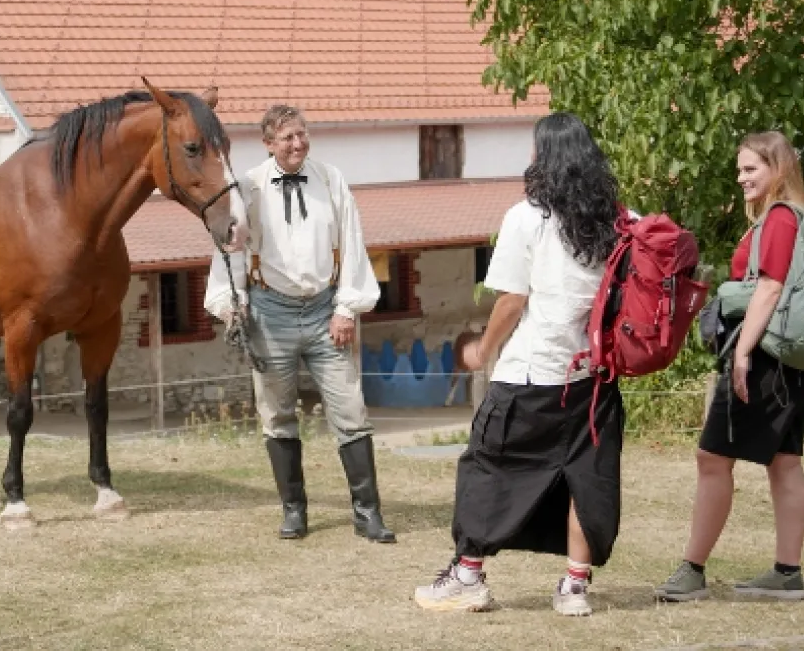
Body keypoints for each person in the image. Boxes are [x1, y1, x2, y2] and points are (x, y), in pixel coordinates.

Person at [413, 112, 626, 616]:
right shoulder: (618, 219)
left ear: (545, 157)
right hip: (592, 378)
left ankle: (467, 576)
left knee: (485, 469)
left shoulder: (527, 217)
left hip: (530, 374)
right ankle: (574, 588)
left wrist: (482, 352)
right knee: (584, 477)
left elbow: (511, 301)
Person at [204, 104, 396, 544]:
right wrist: (231, 306)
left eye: (302, 135)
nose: (297, 144)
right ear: (268, 143)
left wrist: (347, 308)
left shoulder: (330, 179)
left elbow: (352, 242)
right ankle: (294, 511)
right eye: (288, 137)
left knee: (350, 411)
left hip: (325, 310)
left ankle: (368, 514)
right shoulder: (248, 187)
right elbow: (229, 249)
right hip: (270, 313)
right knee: (278, 415)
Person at [655, 131, 804, 603]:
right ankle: (787, 573)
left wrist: (743, 352)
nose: (742, 178)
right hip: (792, 361)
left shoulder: (781, 219)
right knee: (784, 461)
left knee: (712, 458)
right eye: (740, 169)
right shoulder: (787, 219)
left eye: (751, 169)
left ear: (779, 170)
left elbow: (769, 288)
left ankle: (692, 571)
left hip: (766, 356)